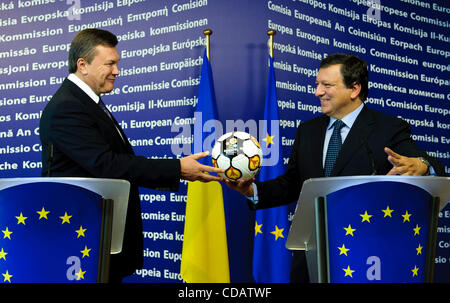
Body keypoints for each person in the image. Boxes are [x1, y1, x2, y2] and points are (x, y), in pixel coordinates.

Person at [226, 53, 445, 282]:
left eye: (327, 85)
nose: (317, 92)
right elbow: (292, 184)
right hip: (312, 257)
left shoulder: (388, 128)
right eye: (317, 84)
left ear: (354, 89)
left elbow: (433, 166)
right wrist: (253, 191)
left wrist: (421, 165)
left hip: (365, 257)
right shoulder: (308, 130)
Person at [39, 28, 223, 282]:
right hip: (82, 243)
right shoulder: (67, 107)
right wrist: (177, 168)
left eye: (117, 63)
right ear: (83, 65)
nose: (117, 71)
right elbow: (107, 165)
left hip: (100, 239)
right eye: (110, 63)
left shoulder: (86, 102)